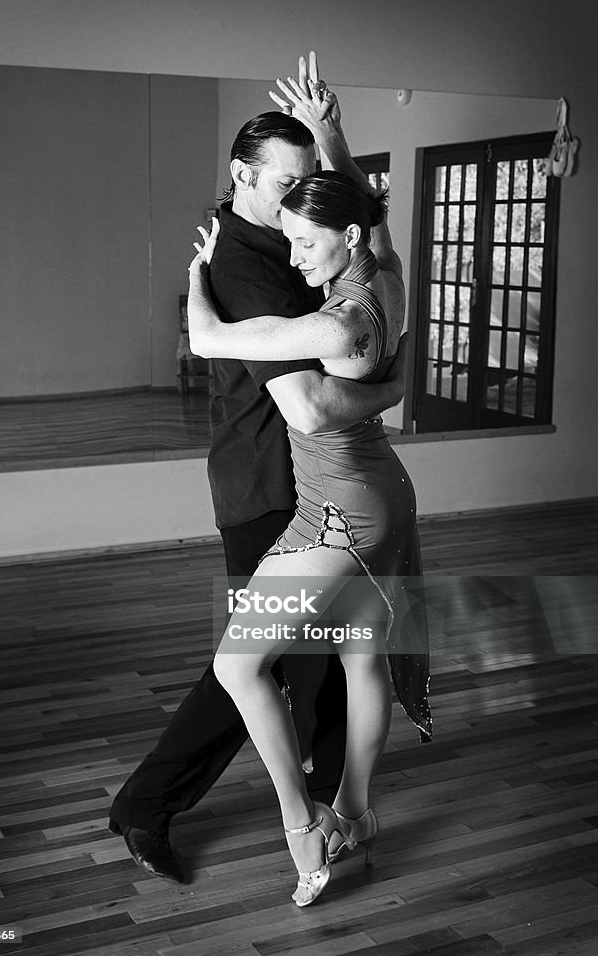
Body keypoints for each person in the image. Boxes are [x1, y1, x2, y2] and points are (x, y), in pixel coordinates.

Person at [108, 54, 413, 884]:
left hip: (324, 492)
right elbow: (310, 407)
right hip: (269, 489)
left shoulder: (300, 242)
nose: (297, 202)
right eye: (285, 184)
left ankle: (335, 809)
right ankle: (155, 802)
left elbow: (361, 226)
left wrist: (332, 139)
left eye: (307, 184)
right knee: (269, 662)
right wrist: (390, 384)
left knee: (310, 658)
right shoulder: (246, 263)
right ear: (242, 175)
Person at [186, 76, 430, 907]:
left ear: (345, 232)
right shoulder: (386, 268)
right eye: (284, 238)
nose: (293, 259)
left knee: (237, 665)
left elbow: (213, 339)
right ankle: (355, 813)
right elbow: (363, 207)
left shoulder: (335, 323)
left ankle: (303, 825)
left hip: (341, 509)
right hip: (382, 490)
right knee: (361, 659)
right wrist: (332, 138)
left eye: (303, 242)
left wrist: (200, 271)